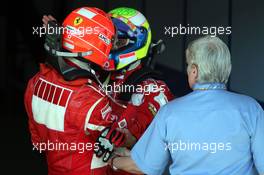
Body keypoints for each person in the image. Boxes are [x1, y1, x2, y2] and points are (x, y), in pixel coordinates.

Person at [43, 8, 174, 175]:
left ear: (137, 43)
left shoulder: (154, 90)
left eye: (117, 43)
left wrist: (123, 137)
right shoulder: (92, 71)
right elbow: (57, 79)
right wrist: (64, 42)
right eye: (106, 41)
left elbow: (148, 141)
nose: (108, 47)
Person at [110, 36, 264, 175]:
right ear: (228, 69)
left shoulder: (170, 112)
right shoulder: (251, 109)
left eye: (189, 65)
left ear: (195, 71)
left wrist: (112, 160)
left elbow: (144, 167)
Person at [25, 7, 123, 175]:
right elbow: (117, 143)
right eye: (111, 40)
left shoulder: (34, 83)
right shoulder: (93, 101)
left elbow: (39, 142)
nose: (113, 45)